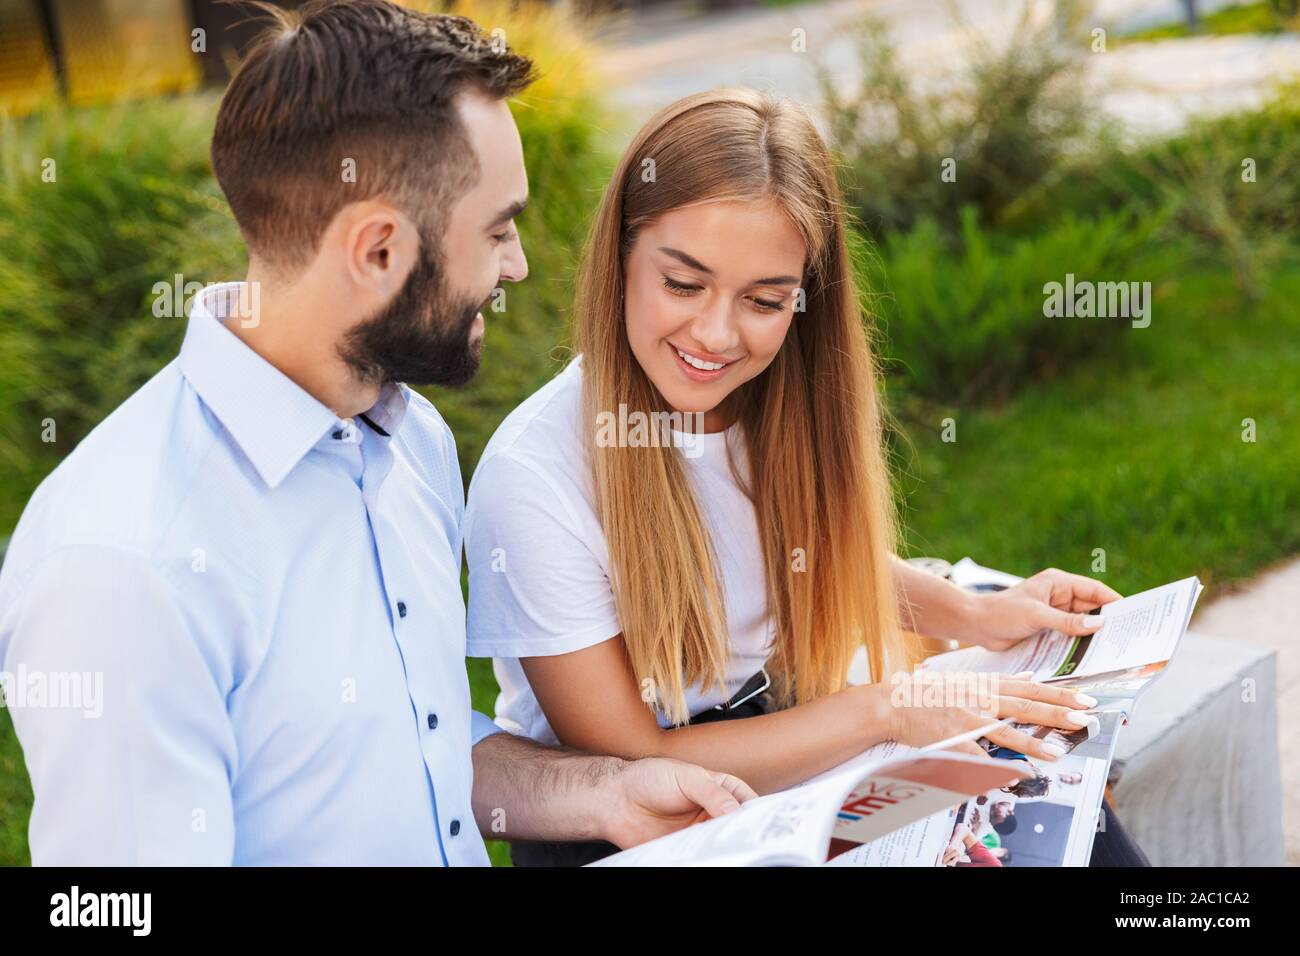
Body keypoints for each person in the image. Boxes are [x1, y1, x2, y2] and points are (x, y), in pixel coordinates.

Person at [0, 0, 755, 866]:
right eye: (499, 229)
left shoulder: (410, 442)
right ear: (379, 250)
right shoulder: (127, 564)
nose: (517, 265)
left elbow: (414, 751)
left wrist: (604, 793)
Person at [462, 87, 1135, 866]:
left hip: (800, 747)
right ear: (618, 259)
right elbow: (634, 756)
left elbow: (801, 555)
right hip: (641, 817)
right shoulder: (535, 474)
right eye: (683, 284)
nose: (716, 335)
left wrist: (980, 616)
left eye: (765, 301)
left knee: (1070, 826)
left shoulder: (768, 400)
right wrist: (888, 709)